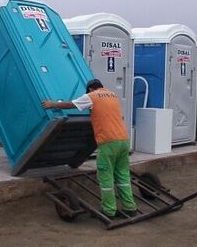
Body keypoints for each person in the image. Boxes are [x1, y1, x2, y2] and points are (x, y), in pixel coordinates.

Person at [42, 78, 137, 218]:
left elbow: (72, 104)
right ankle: (130, 208)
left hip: (108, 142)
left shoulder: (92, 96)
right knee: (123, 176)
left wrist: (53, 104)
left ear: (91, 89)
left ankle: (109, 211)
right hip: (123, 141)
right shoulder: (113, 95)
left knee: (106, 177)